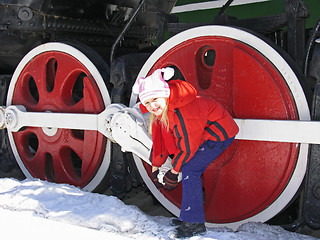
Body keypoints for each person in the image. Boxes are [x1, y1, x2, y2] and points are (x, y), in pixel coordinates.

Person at [132, 68, 239, 238]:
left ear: (165, 94)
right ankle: (188, 216)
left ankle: (194, 223)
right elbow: (161, 142)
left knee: (190, 169)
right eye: (147, 103)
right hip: (204, 133)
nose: (151, 106)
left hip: (219, 134)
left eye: (154, 99)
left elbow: (188, 146)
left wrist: (174, 172)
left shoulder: (183, 110)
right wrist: (155, 168)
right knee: (188, 167)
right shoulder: (165, 111)